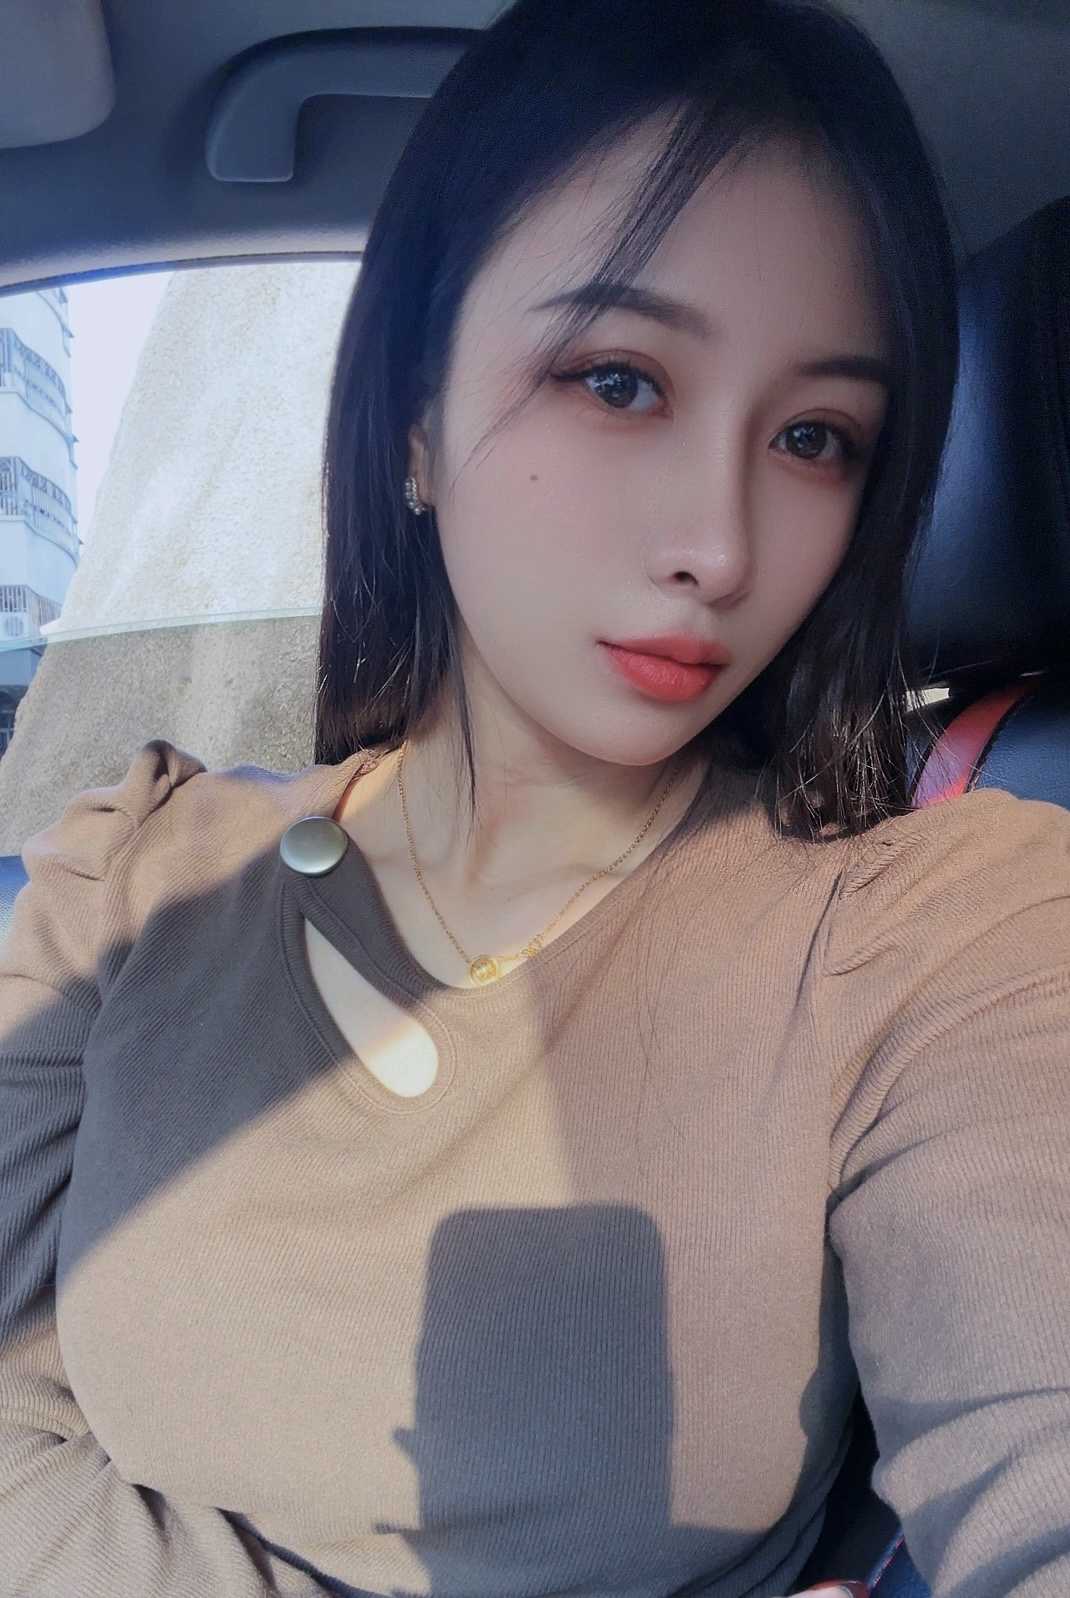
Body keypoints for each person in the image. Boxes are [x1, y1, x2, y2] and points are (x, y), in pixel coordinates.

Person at [1, 0, 1067, 1595]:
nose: (719, 544)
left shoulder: (934, 926)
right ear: (414, 418)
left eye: (813, 436)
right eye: (619, 381)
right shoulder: (135, 874)